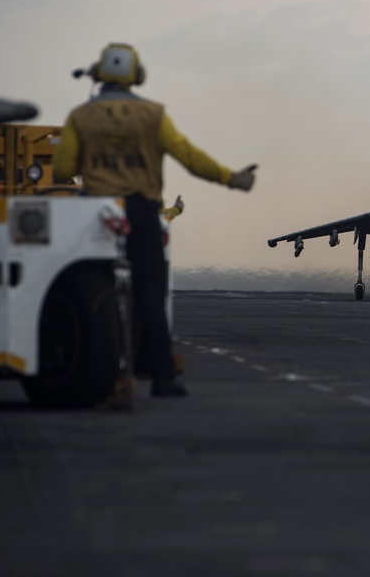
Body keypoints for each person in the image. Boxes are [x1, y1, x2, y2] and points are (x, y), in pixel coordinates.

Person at [54, 42, 257, 397]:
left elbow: (63, 169)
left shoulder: (79, 117)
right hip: (142, 212)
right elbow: (190, 158)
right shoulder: (154, 115)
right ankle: (162, 375)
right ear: (137, 76)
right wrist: (233, 180)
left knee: (86, 290)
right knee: (149, 294)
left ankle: (89, 365)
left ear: (99, 74)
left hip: (96, 216)